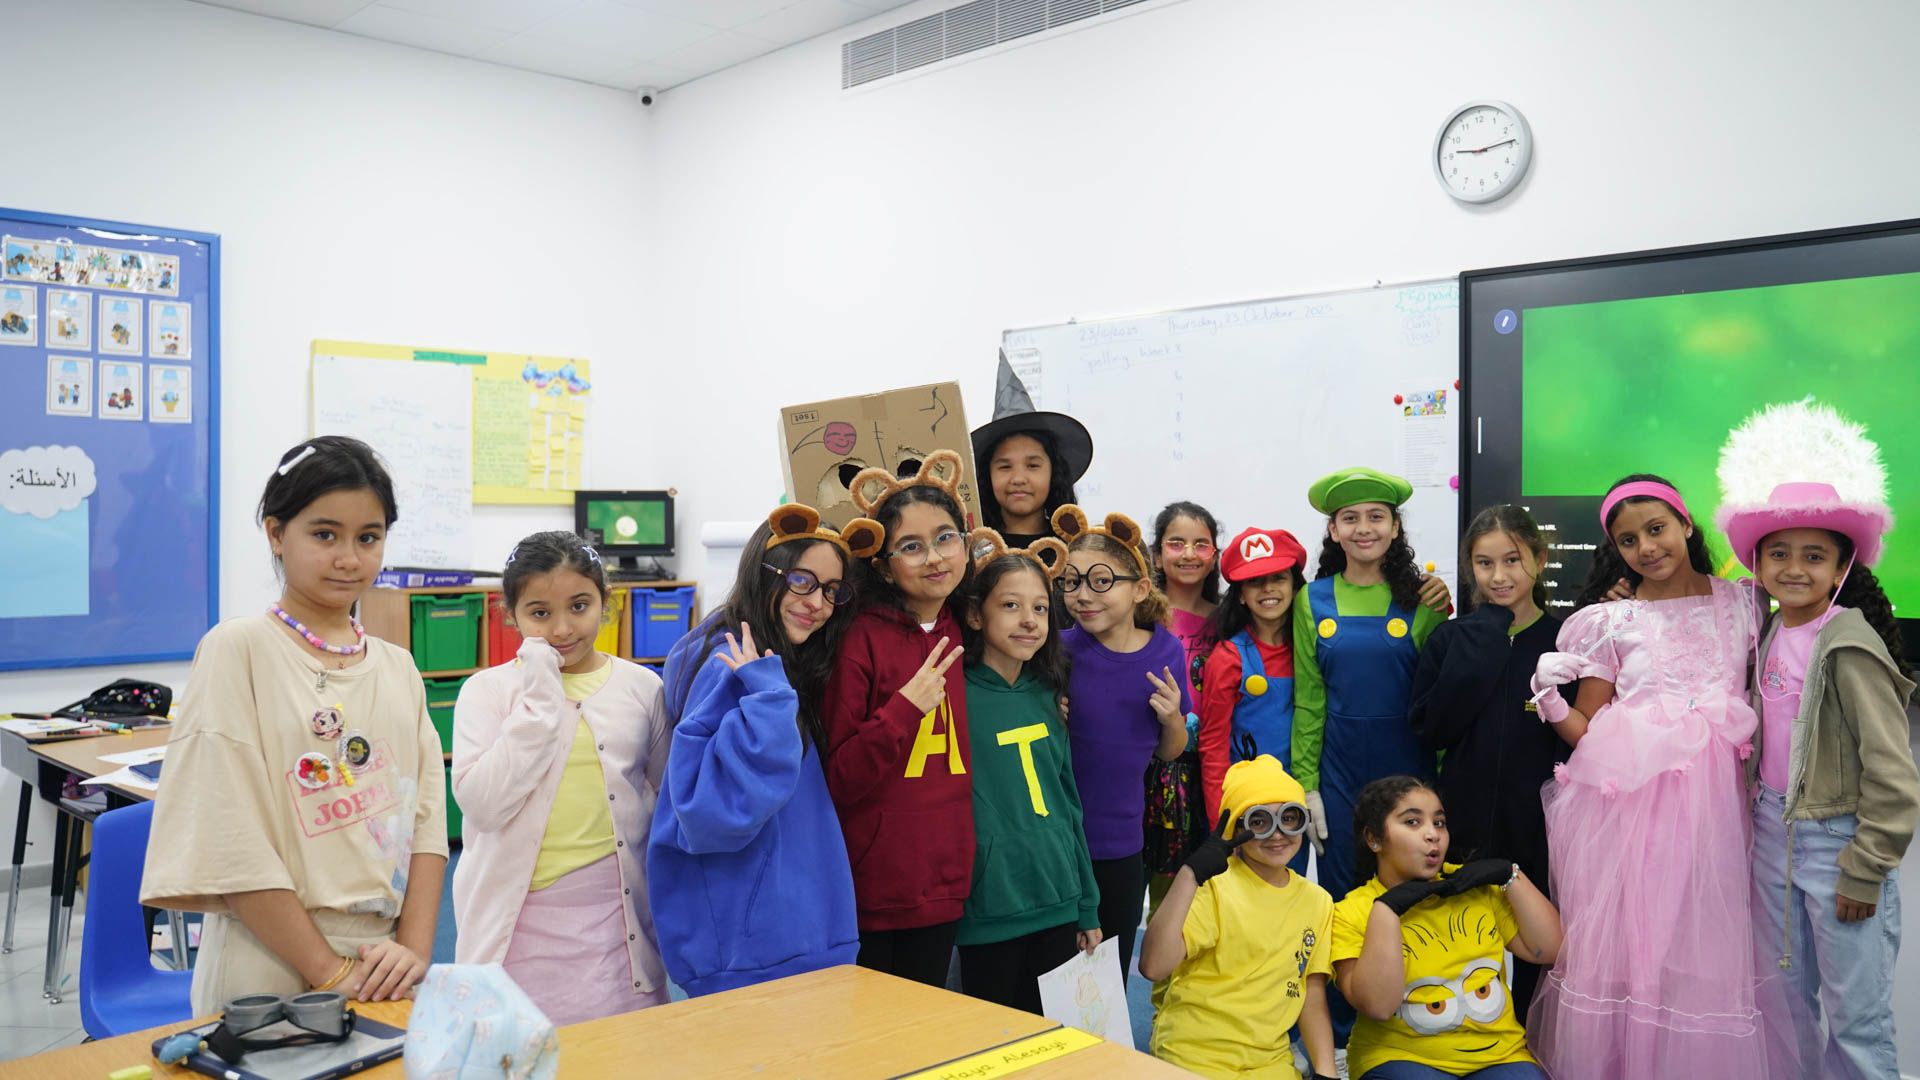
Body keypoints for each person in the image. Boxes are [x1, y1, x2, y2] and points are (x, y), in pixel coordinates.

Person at [143, 437, 446, 1013]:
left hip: (383, 962)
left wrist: (412, 951)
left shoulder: (398, 667)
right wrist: (329, 972)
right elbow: (230, 837)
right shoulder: (239, 649)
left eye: (368, 537)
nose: (349, 558)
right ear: (276, 533)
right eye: (325, 535)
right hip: (268, 952)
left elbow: (427, 821)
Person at [1525, 473, 1772, 1077]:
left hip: (1721, 816)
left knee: (1706, 952)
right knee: (1640, 954)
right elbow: (1587, 730)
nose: (1646, 548)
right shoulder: (1612, 622)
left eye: (1657, 529)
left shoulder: (1744, 603)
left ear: (1686, 524)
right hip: (1633, 823)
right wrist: (1547, 699)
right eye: (1629, 540)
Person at [1716, 400, 1918, 1079]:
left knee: (1856, 1020)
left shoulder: (1849, 645)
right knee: (1784, 1006)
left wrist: (1866, 867)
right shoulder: (1770, 628)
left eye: (1814, 556)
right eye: (1778, 553)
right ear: (1758, 562)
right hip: (1773, 835)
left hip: (1838, 843)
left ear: (1840, 569)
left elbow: (1893, 775)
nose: (1794, 567)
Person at [647, 505, 883, 995]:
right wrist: (771, 699)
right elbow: (712, 815)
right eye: (801, 581)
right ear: (764, 572)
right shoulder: (734, 665)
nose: (817, 603)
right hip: (754, 950)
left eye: (831, 590)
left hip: (785, 935)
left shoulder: (774, 657)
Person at [451, 530, 670, 1025]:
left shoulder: (641, 687)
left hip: (618, 917)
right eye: (540, 613)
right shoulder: (488, 692)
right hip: (519, 924)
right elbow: (484, 806)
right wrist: (540, 701)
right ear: (511, 614)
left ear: (606, 602)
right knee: (522, 1047)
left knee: (626, 1045)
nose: (562, 628)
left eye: (579, 606)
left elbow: (666, 795)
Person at [1405, 505, 1568, 1013]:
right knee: (1461, 941)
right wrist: (1486, 636)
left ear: (1539, 559)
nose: (1499, 576)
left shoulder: (1565, 639)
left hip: (1541, 822)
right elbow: (1432, 727)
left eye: (1512, 560)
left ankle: (1529, 1039)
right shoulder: (1452, 638)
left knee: (1539, 944)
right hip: (1464, 818)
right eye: (1484, 563)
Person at [823, 450, 975, 986]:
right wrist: (904, 709)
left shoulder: (968, 625)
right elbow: (839, 777)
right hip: (876, 887)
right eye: (911, 547)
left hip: (948, 876)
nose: (934, 558)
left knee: (931, 1020)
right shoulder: (858, 638)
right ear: (884, 565)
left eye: (945, 538)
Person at [954, 530, 1102, 1012]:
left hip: (1056, 897)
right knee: (993, 1035)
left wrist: (1086, 903)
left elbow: (1068, 803)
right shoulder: (953, 694)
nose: (1029, 620)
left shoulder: (1048, 694)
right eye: (1010, 605)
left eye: (1040, 608)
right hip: (990, 906)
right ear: (976, 614)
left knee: (1051, 1038)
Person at [1329, 776, 1560, 1080]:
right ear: (1374, 839)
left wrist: (1510, 874)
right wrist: (1386, 909)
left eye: (1439, 823)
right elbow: (1378, 1006)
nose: (1432, 835)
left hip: (1499, 1055)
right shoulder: (1350, 912)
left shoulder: (1472, 886)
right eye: (1412, 822)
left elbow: (1550, 950)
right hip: (1400, 1057)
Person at [1291, 467, 1451, 905]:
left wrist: (1444, 784)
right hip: (1338, 775)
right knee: (1343, 892)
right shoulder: (1311, 600)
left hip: (1410, 768)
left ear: (1395, 527)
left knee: (1412, 893)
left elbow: (1441, 701)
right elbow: (1310, 701)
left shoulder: (1426, 599)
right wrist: (1307, 785)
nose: (1364, 528)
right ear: (1334, 531)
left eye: (1376, 516)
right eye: (1350, 518)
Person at [1054, 505, 1191, 987]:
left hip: (1121, 844)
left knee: (1105, 983)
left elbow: (1170, 751)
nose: (1082, 595)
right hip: (1057, 842)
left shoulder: (1167, 650)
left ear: (1139, 588)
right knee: (1055, 978)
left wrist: (1172, 718)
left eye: (1100, 581)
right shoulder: (1057, 649)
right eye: (1071, 582)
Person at [1142, 756, 1339, 1080]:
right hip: (1195, 1054)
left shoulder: (1317, 902)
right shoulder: (1214, 887)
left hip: (1268, 1060)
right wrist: (1189, 875)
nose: (1278, 834)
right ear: (1235, 831)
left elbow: (1311, 995)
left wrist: (1326, 1071)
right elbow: (1153, 966)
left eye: (1290, 818)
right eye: (1259, 822)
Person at [1197, 526, 1309, 830]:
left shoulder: (1311, 650)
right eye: (1255, 581)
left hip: (1302, 799)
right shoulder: (1228, 657)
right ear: (1241, 596)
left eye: (1278, 578)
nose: (1268, 589)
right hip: (1247, 806)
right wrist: (1221, 825)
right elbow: (1213, 746)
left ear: (1295, 586)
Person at [1144, 501, 1224, 921]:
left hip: (1201, 771)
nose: (1189, 554)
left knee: (1187, 903)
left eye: (1201, 544)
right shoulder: (1139, 616)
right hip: (1143, 764)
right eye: (1176, 543)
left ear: (1214, 556)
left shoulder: (1228, 620)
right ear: (1157, 556)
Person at [969, 366, 1093, 548]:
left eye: (1033, 466)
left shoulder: (1076, 550)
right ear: (987, 476)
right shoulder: (972, 550)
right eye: (1005, 467)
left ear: (1053, 473)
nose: (1018, 479)